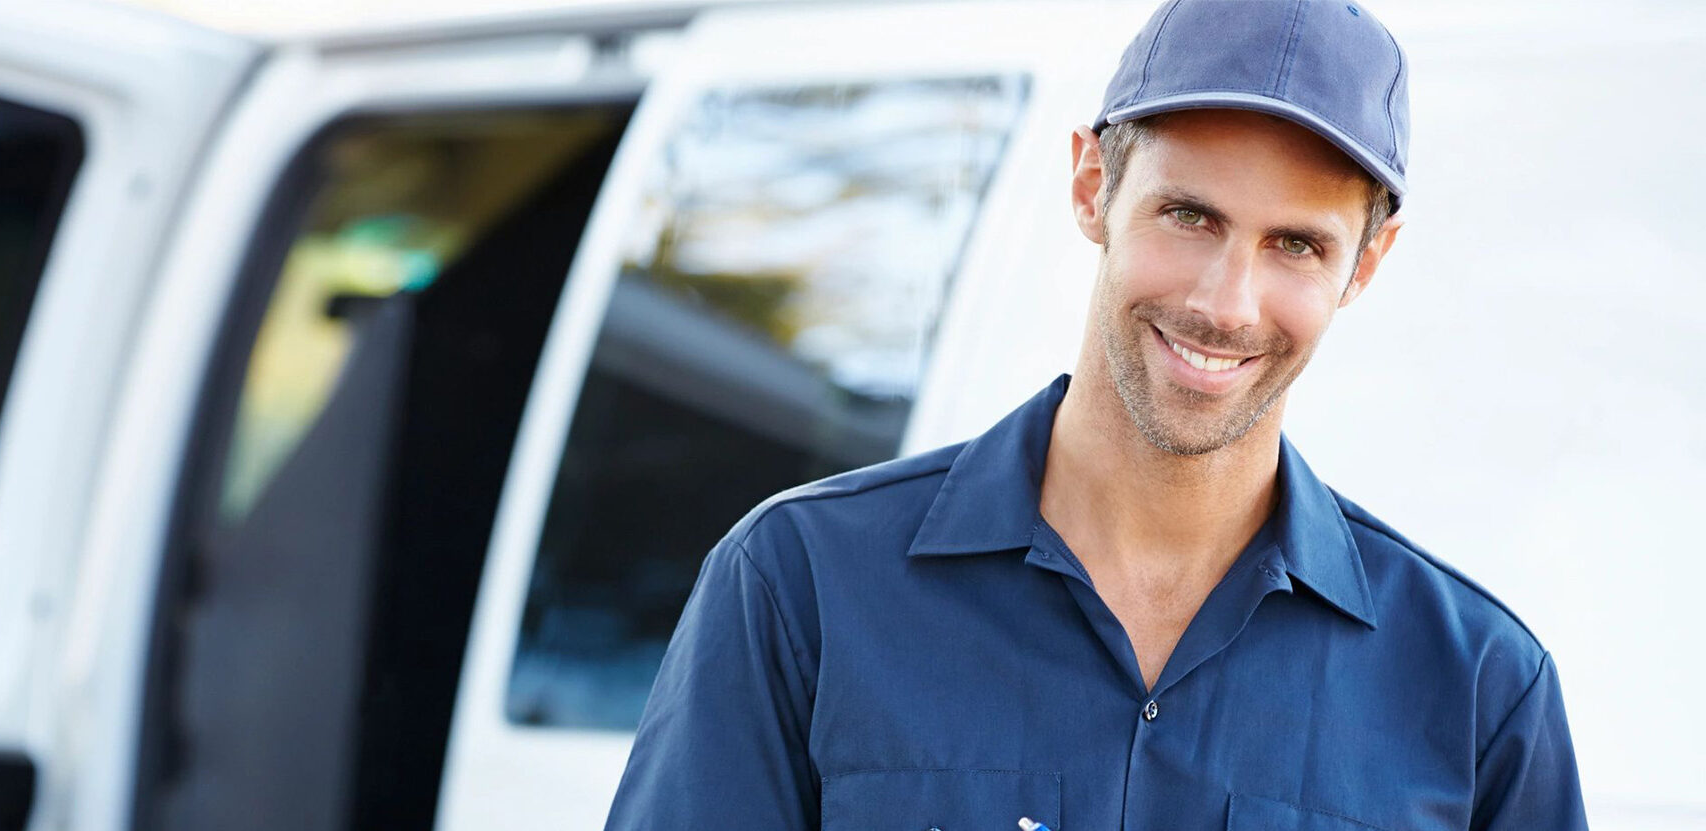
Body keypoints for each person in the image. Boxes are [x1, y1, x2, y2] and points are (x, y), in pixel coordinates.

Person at [603, 1, 1587, 829]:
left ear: (1363, 266)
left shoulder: (1478, 695)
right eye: (1188, 215)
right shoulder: (798, 585)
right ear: (1091, 187)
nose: (1226, 302)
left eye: (1294, 245)